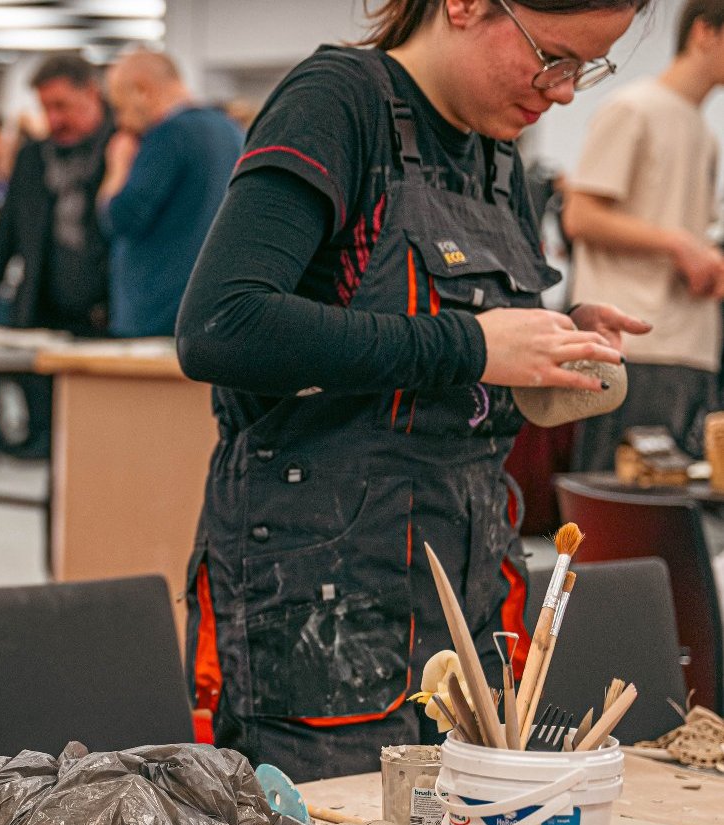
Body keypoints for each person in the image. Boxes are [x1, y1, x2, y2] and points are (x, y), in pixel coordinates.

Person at [176, 0, 648, 780]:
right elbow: (222, 324)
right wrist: (472, 344)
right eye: (553, 56)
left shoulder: (497, 156)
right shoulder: (339, 103)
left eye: (585, 69)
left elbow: (450, 358)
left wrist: (550, 342)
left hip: (465, 604)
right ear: (464, 5)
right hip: (323, 609)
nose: (563, 91)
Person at [564, 0, 724, 471]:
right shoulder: (634, 108)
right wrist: (679, 245)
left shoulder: (703, 131)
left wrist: (706, 259)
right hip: (632, 345)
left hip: (689, 349)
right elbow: (580, 215)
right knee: (611, 517)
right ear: (704, 32)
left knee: (671, 523)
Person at [0, 54, 113, 458]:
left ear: (92, 92)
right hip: (43, 321)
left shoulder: (123, 148)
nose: (53, 119)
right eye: (45, 107)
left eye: (62, 106)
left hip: (107, 324)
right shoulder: (32, 158)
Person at [98, 51, 243, 339]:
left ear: (142, 90)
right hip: (207, 311)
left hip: (153, 315)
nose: (121, 121)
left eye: (120, 107)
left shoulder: (167, 136)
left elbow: (121, 217)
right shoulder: (230, 131)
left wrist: (117, 168)